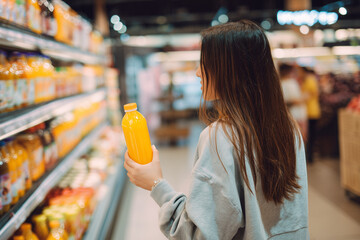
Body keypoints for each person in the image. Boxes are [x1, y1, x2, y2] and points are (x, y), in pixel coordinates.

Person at [124, 20, 309, 240]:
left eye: (204, 62)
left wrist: (156, 184)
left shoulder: (219, 138)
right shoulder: (288, 127)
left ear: (230, 71)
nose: (197, 73)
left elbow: (198, 234)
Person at [279, 63, 308, 140]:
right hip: (295, 115)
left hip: (296, 115)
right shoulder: (288, 83)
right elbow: (292, 100)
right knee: (299, 139)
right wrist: (303, 98)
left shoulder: (284, 83)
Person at [299, 67, 321, 163]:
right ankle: (309, 156)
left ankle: (310, 156)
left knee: (311, 135)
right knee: (309, 135)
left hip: (311, 112)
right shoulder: (307, 80)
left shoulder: (310, 79)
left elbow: (314, 93)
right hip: (309, 111)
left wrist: (300, 99)